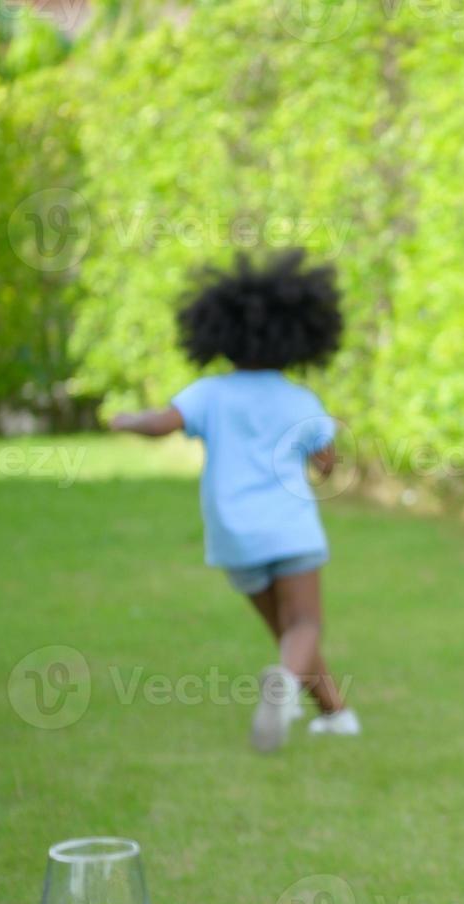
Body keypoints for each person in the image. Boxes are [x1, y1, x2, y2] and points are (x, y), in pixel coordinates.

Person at [110, 249, 358, 752]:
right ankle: (286, 687)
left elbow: (160, 425)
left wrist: (127, 420)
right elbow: (327, 462)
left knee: (287, 636)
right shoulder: (298, 399)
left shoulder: (209, 393)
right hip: (289, 528)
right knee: (304, 625)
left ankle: (335, 714)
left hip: (234, 535)